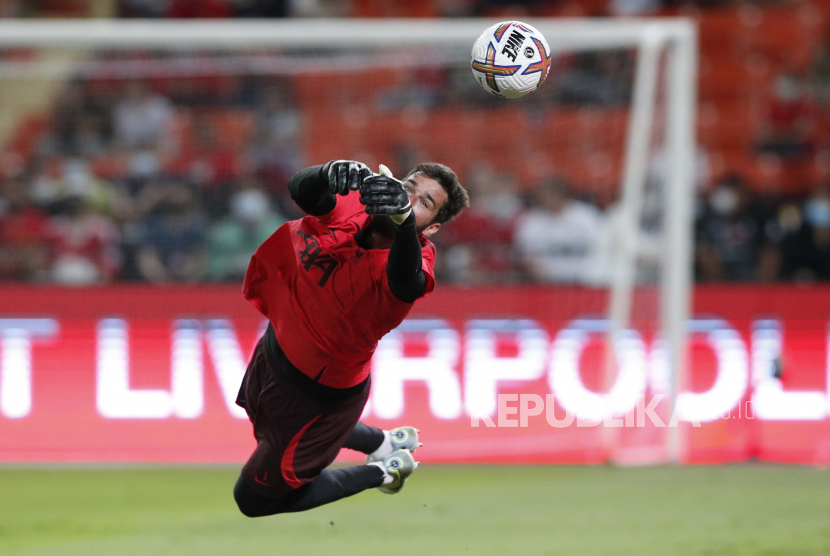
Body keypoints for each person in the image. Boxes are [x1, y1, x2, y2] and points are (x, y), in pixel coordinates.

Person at [233, 159, 469, 517]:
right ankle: (384, 442)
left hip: (315, 397)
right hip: (272, 352)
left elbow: (405, 281)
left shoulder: (415, 257)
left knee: (251, 499)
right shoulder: (357, 204)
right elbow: (301, 190)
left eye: (423, 203)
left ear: (432, 228)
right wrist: (327, 171)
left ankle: (384, 472)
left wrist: (404, 222)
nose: (408, 200)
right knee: (264, 421)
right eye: (408, 187)